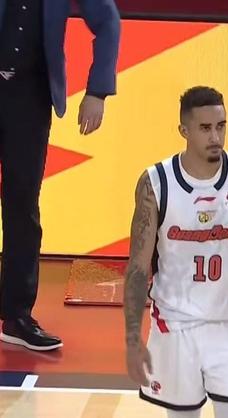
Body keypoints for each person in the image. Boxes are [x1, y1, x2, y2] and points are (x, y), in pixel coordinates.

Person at [122, 86, 228, 418]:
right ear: (184, 130)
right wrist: (133, 337)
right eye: (205, 128)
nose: (215, 137)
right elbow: (138, 268)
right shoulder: (155, 183)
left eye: (221, 126)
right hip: (176, 326)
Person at [0, 0, 120, 351]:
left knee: (23, 206)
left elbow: (107, 21)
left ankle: (16, 316)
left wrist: (97, 91)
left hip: (30, 98)